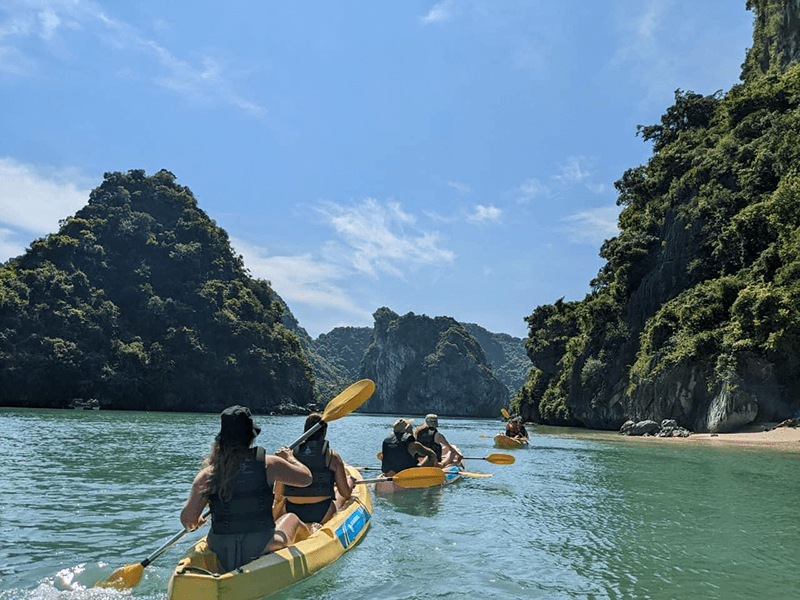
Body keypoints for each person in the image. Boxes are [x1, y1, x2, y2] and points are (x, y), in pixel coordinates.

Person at [180, 405, 317, 573]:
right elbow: (306, 478)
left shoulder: (208, 474)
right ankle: (314, 535)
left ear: (222, 439)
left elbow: (188, 520)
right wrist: (290, 458)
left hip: (220, 548)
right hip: (261, 545)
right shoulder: (270, 464)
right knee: (291, 517)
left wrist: (197, 521)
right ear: (250, 438)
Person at [274, 413, 355, 525]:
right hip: (322, 512)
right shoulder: (332, 456)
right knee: (340, 496)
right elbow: (345, 493)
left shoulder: (288, 455)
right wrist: (351, 482)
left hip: (291, 510)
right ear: (324, 432)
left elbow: (278, 493)